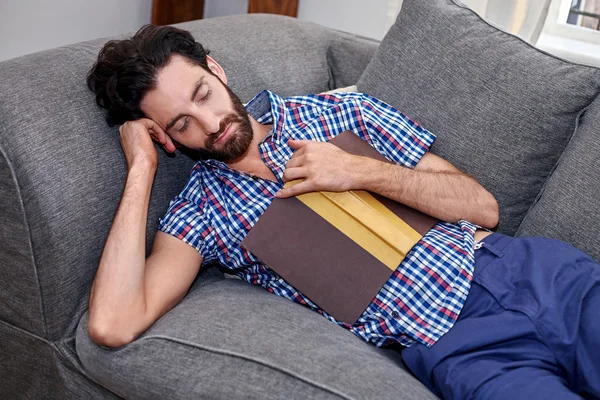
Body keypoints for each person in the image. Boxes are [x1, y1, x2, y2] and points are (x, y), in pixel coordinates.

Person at [86, 24, 599, 399]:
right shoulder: (202, 210)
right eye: (181, 124)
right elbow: (113, 323)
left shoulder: (341, 111)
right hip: (453, 342)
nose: (209, 123)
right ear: (165, 136)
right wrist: (140, 168)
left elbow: (482, 207)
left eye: (202, 94)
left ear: (216, 70)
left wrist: (361, 171)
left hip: (529, 271)